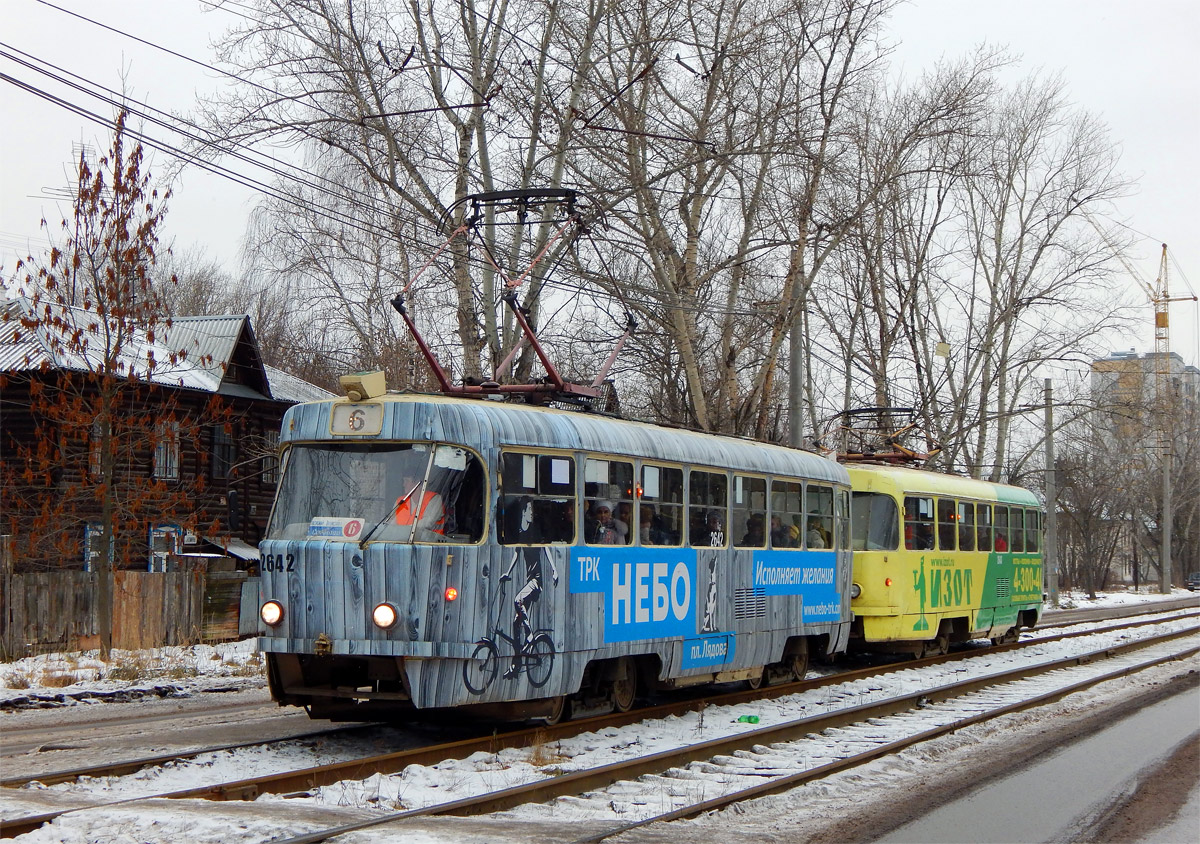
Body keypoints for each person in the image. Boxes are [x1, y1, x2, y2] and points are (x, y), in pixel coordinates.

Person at [395, 472, 445, 541]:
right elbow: (391, 525)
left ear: (417, 483)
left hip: (429, 546)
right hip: (401, 543)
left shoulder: (434, 499)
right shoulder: (400, 501)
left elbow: (428, 522)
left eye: (407, 481)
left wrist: (405, 530)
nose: (404, 485)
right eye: (404, 481)